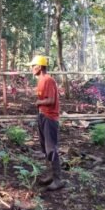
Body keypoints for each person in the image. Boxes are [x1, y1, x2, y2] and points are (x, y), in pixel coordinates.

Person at [30, 55, 65, 191]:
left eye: (33, 66)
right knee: (45, 148)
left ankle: (58, 179)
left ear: (39, 67)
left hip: (50, 117)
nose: (32, 68)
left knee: (51, 148)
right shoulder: (40, 80)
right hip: (42, 115)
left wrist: (38, 102)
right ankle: (50, 175)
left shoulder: (48, 80)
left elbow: (51, 100)